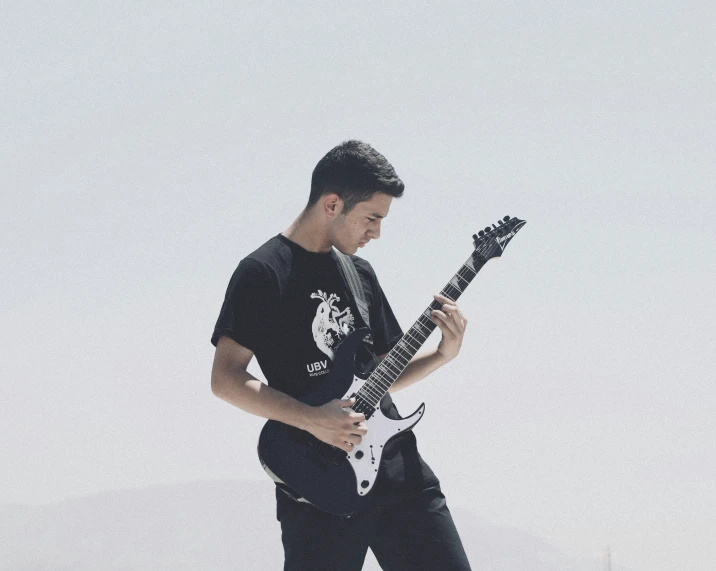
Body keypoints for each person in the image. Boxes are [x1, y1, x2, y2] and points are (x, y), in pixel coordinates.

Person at [210, 140, 472, 571]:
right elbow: (226, 379)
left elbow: (384, 373)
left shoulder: (359, 274)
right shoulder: (262, 272)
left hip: (400, 476)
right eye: (372, 218)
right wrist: (312, 418)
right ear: (332, 204)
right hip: (319, 484)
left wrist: (443, 354)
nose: (377, 232)